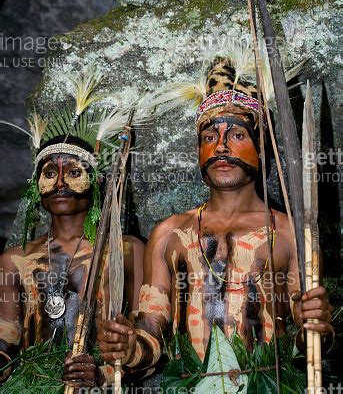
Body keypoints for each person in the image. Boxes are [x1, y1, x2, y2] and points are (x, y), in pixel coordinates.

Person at [97, 54, 333, 377]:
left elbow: (311, 335)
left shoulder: (291, 234)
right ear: (198, 150)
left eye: (237, 135)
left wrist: (317, 324)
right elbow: (150, 330)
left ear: (261, 145)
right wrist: (128, 350)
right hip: (188, 383)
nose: (221, 147)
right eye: (210, 137)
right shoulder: (169, 235)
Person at [0, 102, 145, 389]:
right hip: (33, 381)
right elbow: (7, 337)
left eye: (74, 173)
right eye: (50, 173)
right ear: (35, 186)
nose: (60, 184)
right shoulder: (15, 261)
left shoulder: (126, 251)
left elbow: (145, 334)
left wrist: (105, 374)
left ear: (96, 181)